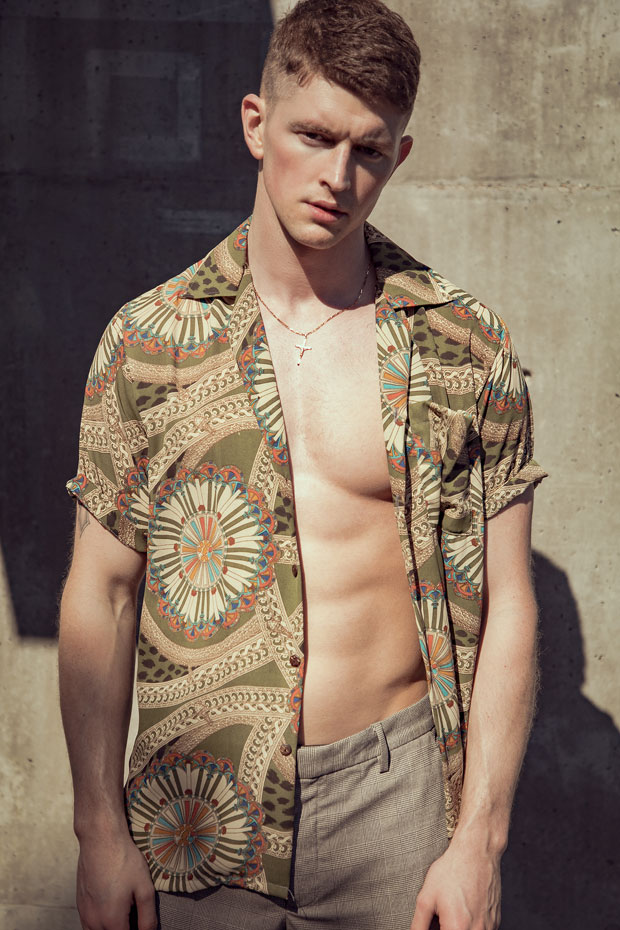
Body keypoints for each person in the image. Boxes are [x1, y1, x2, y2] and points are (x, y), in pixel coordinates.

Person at [59, 1, 547, 928]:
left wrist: (480, 844)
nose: (337, 176)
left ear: (399, 156)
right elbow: (102, 595)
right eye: (313, 136)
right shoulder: (149, 343)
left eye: (369, 150)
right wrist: (98, 829)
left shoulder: (462, 344)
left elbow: (510, 603)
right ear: (257, 124)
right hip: (200, 807)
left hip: (397, 805)